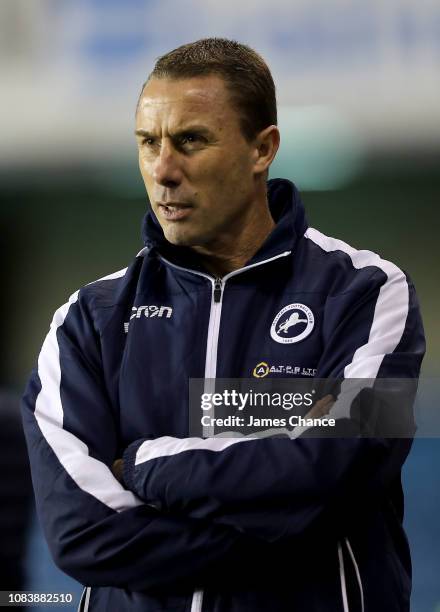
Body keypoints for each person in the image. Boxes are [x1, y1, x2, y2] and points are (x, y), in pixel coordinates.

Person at [22, 38, 425, 612]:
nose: (163, 170)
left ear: (263, 149)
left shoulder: (365, 292)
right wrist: (291, 527)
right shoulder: (88, 321)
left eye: (190, 141)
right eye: (148, 143)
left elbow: (339, 463)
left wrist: (142, 464)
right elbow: (81, 533)